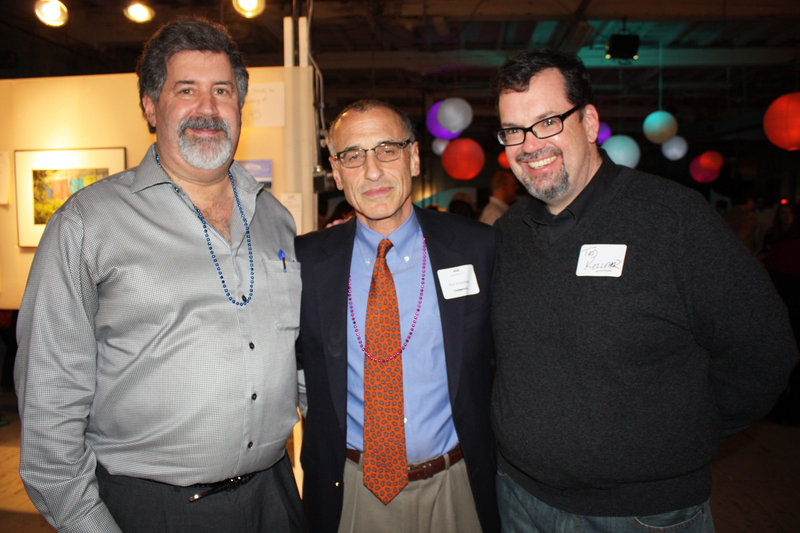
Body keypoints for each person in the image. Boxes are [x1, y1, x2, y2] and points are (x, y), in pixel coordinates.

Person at [489, 48, 798, 533]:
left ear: (589, 122)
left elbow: (764, 349)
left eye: (548, 121)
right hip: (519, 500)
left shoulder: (673, 220)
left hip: (643, 515)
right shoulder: (507, 235)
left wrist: (684, 430)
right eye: (513, 130)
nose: (530, 144)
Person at [14, 18, 303, 533]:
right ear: (151, 105)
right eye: (185, 90)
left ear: (239, 105)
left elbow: (297, 356)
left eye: (222, 91)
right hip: (152, 512)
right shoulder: (88, 224)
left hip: (273, 498)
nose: (208, 110)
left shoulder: (275, 218)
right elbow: (50, 407)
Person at [296, 99, 499, 533]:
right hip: (352, 489)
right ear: (336, 171)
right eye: (353, 155)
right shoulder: (307, 262)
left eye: (387, 149)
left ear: (413, 157)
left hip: (456, 486)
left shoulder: (477, 249)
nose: (371, 171)